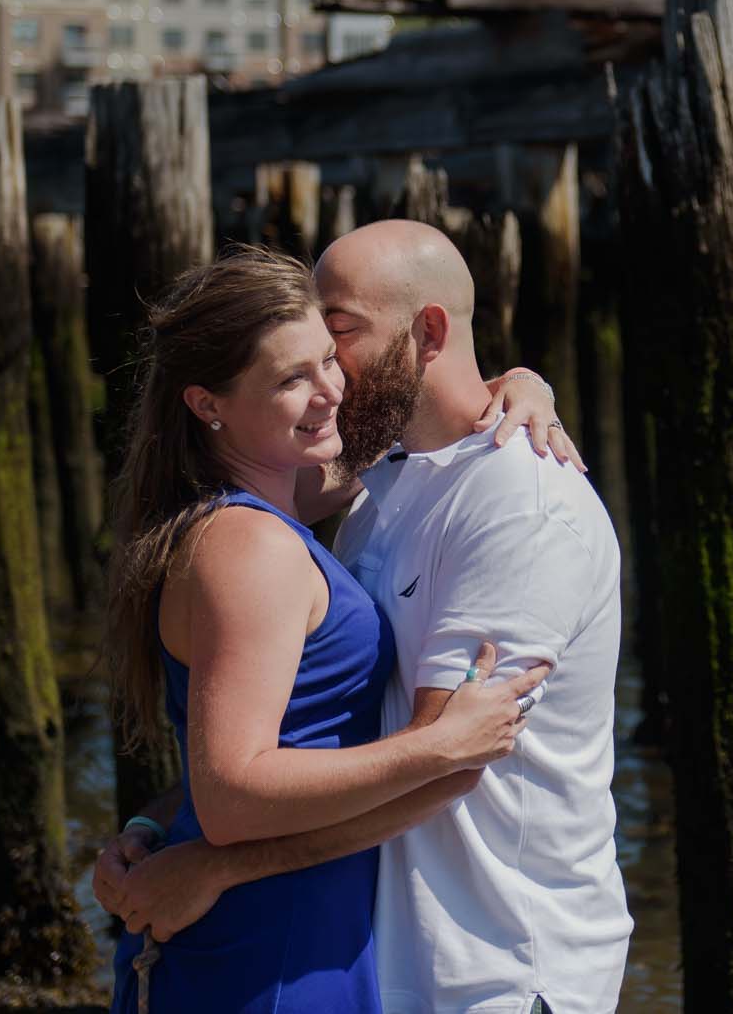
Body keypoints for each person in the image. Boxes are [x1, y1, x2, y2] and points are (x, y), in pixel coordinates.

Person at [98, 221, 632, 1014]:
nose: (325, 363)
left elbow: (445, 763)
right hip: (383, 956)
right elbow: (320, 742)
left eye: (336, 333)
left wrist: (214, 864)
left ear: (429, 332)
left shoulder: (522, 504)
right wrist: (164, 820)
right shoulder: (372, 483)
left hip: (498, 971)